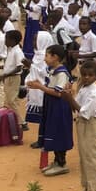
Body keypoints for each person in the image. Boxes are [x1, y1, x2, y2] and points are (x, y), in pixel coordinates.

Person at [28, 45, 74, 176]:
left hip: (59, 107)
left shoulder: (62, 73)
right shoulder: (53, 70)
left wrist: (40, 87)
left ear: (55, 57)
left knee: (58, 132)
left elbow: (58, 93)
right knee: (52, 131)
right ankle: (57, 160)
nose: (44, 59)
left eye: (47, 56)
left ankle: (61, 163)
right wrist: (39, 85)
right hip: (52, 105)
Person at [64, 60, 96, 191]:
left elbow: (84, 112)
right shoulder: (84, 88)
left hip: (90, 124)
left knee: (91, 157)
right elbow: (76, 106)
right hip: (82, 123)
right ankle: (87, 188)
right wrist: (68, 95)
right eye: (84, 75)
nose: (86, 77)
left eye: (90, 75)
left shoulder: (94, 93)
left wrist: (69, 98)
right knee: (84, 157)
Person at [0, 30, 24, 116]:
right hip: (9, 78)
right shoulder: (11, 50)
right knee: (9, 100)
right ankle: (11, 119)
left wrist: (5, 75)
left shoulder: (17, 51)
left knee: (12, 100)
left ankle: (21, 122)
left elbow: (19, 67)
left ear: (12, 41)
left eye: (6, 39)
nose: (5, 41)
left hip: (14, 78)